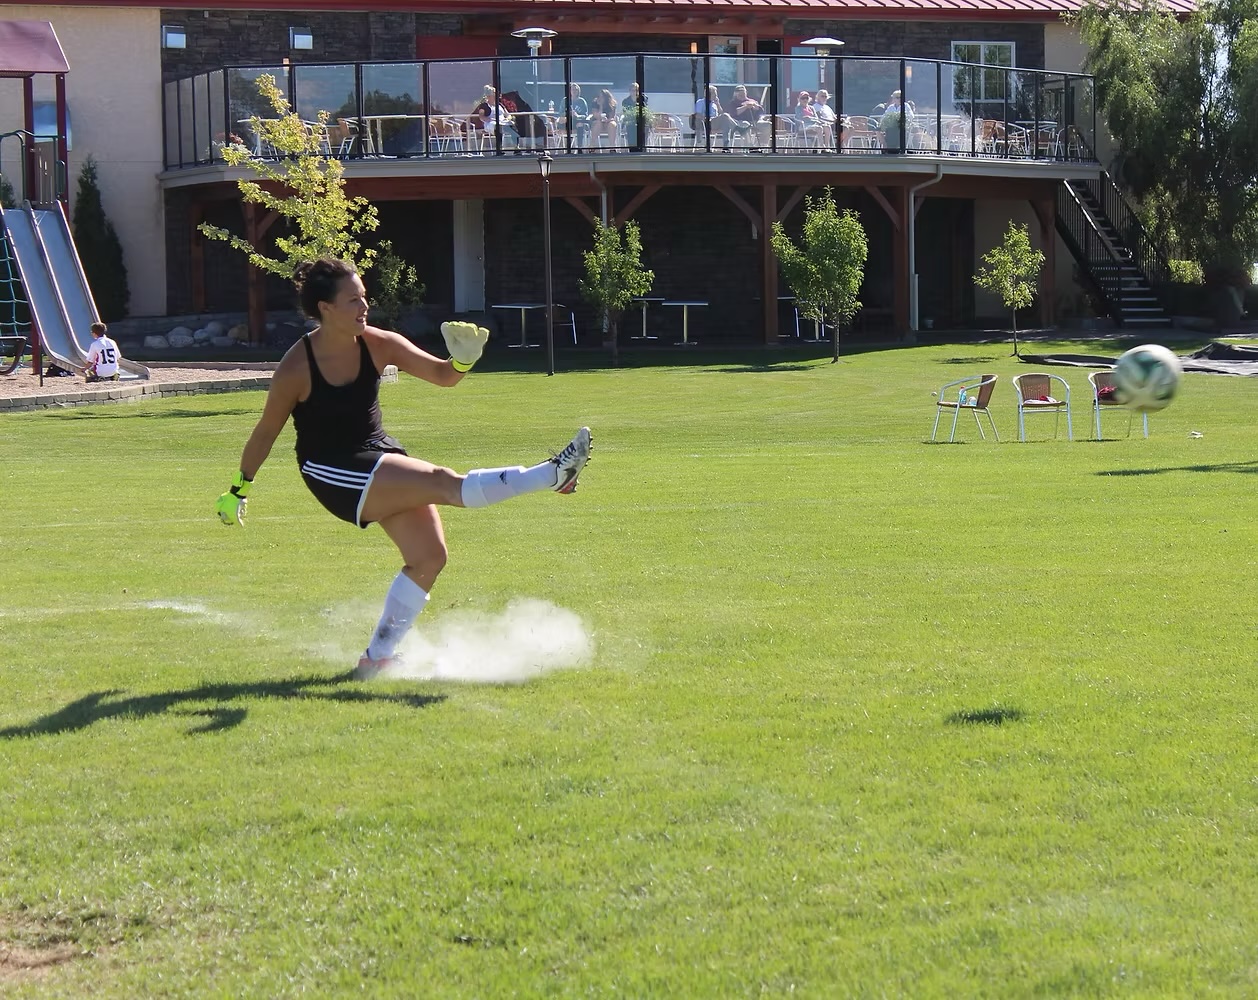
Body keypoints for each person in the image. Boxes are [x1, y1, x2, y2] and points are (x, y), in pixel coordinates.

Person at [214, 257, 592, 679]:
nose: (364, 307)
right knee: (443, 482)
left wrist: (463, 360)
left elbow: (443, 376)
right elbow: (266, 431)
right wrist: (237, 488)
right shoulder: (297, 366)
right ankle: (550, 475)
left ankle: (377, 658)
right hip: (331, 469)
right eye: (353, 300)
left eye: (364, 298)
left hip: (378, 452)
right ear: (325, 308)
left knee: (429, 557)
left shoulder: (379, 343)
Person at [561, 83, 592, 150]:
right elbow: (560, 113)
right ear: (569, 91)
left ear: (578, 91)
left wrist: (577, 115)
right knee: (566, 122)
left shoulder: (582, 101)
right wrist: (567, 113)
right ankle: (568, 147)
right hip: (567, 121)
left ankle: (579, 147)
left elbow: (585, 115)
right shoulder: (565, 100)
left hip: (577, 121)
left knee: (580, 124)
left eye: (576, 90)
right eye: (572, 89)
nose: (574, 91)